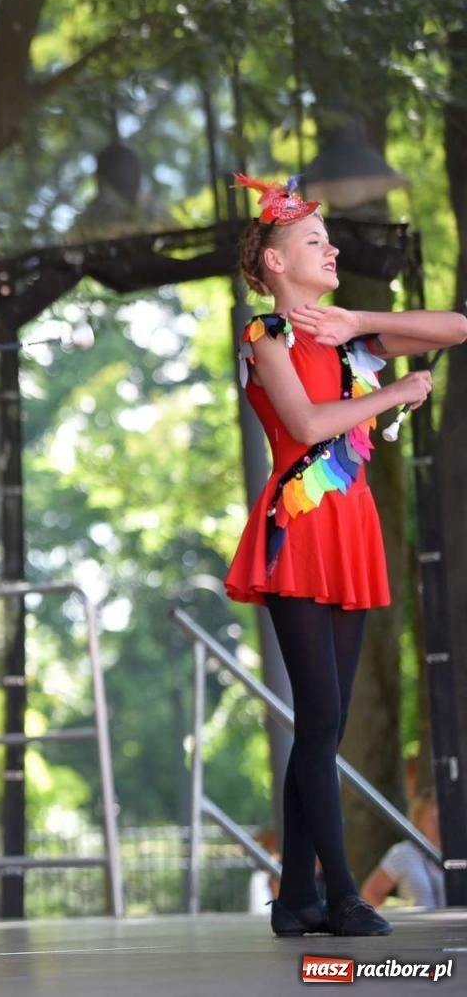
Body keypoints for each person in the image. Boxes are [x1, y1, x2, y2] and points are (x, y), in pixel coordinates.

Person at [223, 175, 467, 938]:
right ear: (272, 263)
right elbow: (306, 421)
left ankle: (297, 892)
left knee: (319, 725)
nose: (330, 250)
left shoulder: (349, 335)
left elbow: (455, 325)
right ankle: (340, 894)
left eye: (329, 240)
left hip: (351, 527)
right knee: (322, 716)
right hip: (299, 525)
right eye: (314, 243)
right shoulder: (266, 337)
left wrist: (357, 318)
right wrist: (393, 395)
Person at [360, 789, 446, 909]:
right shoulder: (404, 852)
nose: (439, 825)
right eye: (432, 820)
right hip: (419, 926)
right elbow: (370, 893)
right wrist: (394, 922)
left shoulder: (460, 852)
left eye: (443, 818)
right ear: (418, 820)